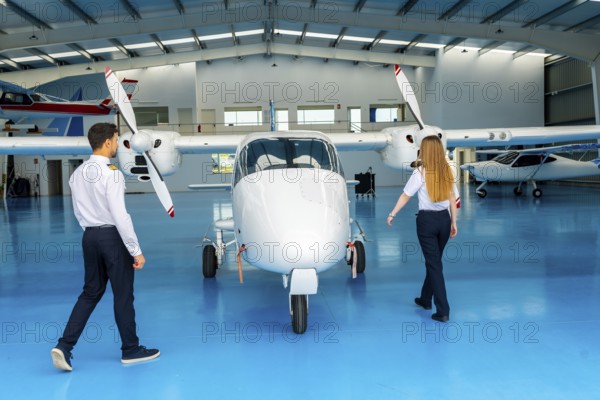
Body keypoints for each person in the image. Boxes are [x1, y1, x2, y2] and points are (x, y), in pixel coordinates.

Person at [51, 123, 159, 371]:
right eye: (116, 139)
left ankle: (64, 346)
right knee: (122, 295)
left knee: (90, 293)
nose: (118, 144)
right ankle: (130, 349)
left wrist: (93, 234)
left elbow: (79, 212)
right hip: (112, 238)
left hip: (89, 237)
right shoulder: (112, 173)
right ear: (108, 142)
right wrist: (135, 250)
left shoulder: (77, 174)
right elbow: (120, 216)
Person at [387, 135, 458, 323]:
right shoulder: (447, 171)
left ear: (425, 151)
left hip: (427, 222)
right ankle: (426, 299)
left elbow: (405, 195)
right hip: (444, 220)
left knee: (434, 264)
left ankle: (443, 310)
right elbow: (452, 198)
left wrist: (392, 213)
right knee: (434, 262)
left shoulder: (420, 172)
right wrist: (453, 223)